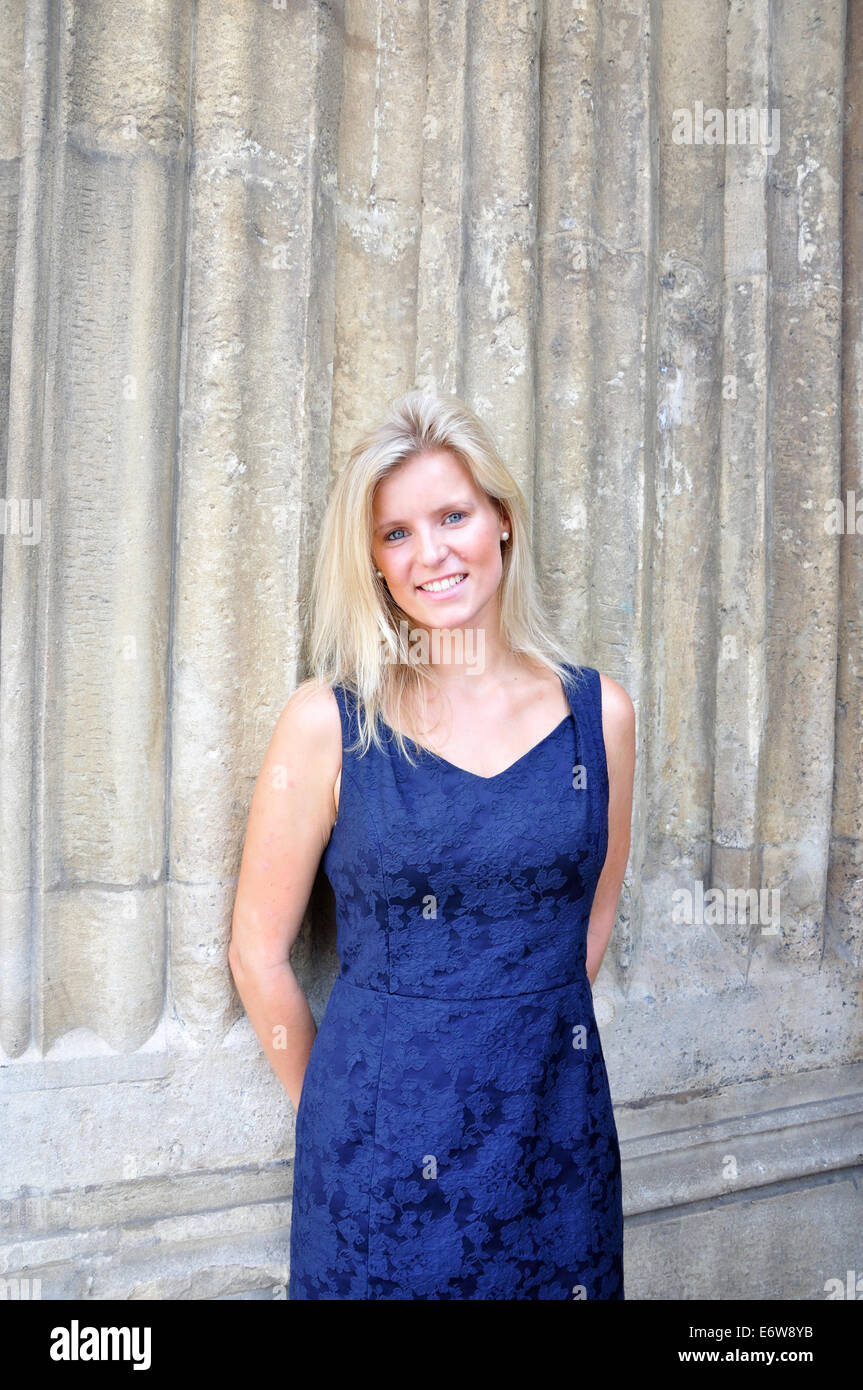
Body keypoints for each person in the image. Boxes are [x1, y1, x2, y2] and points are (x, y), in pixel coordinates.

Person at [229, 389, 636, 1299]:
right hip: (373, 1163)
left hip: (552, 1143)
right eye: (396, 534)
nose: (431, 554)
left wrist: (520, 1047)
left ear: (500, 521)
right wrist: (335, 1117)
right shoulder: (328, 725)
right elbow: (256, 954)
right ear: (372, 561)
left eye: (451, 515)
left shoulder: (596, 716)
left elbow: (588, 924)